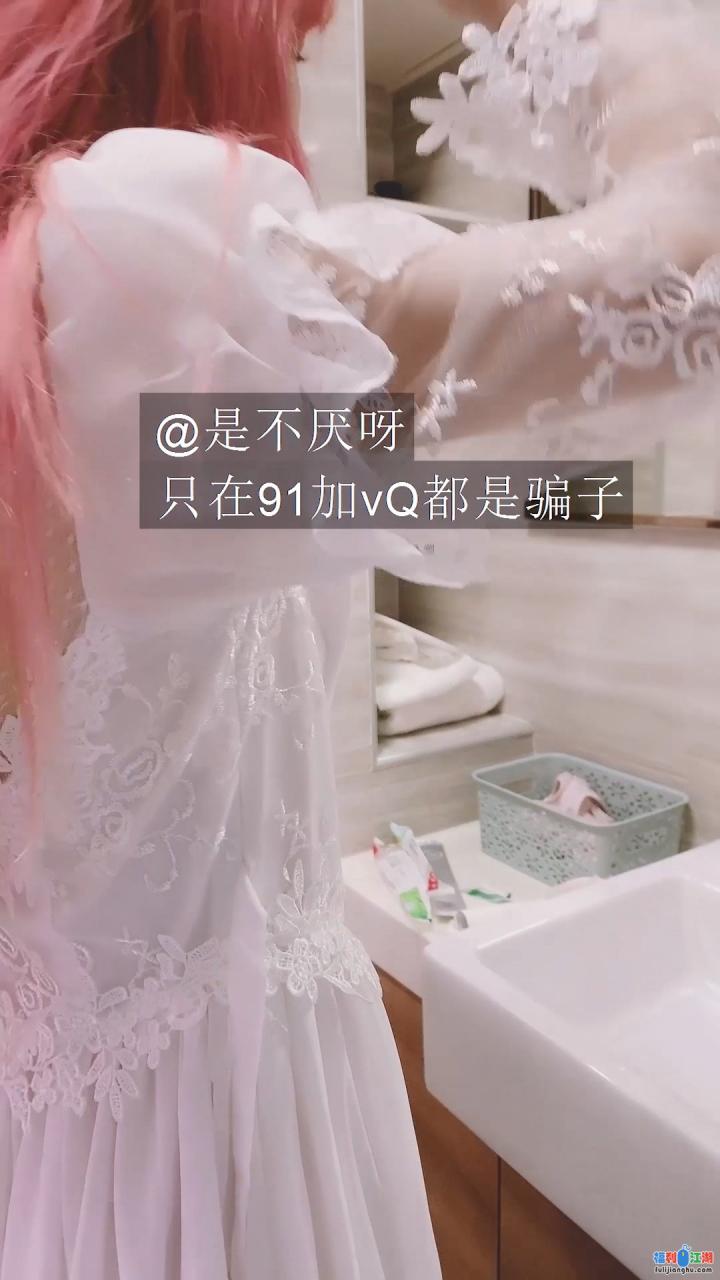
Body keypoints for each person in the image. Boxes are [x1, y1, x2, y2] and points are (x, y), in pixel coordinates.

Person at [0, 0, 718, 1276]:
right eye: (289, 47)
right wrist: (532, 14)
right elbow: (689, 263)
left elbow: (378, 459)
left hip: (76, 1155)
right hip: (233, 1145)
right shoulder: (129, 273)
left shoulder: (70, 369)